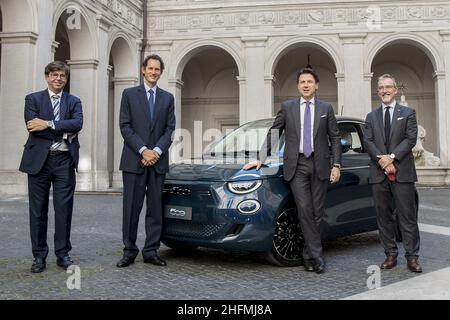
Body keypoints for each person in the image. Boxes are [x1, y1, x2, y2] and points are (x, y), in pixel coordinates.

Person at [244, 68, 341, 273]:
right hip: (296, 165)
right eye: (302, 82)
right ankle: (317, 256)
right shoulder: (287, 107)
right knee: (305, 210)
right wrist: (260, 159)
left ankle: (308, 254)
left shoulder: (326, 108)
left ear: (317, 85)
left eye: (309, 81)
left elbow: (334, 137)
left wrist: (336, 164)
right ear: (298, 86)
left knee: (317, 212)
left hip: (320, 164)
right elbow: (274, 132)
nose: (306, 85)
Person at [19, 61, 83, 273]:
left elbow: (78, 124)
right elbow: (32, 126)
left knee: (64, 210)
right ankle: (39, 256)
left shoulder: (74, 101)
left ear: (66, 79)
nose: (58, 79)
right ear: (47, 77)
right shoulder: (33, 99)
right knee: (37, 212)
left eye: (62, 76)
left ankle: (63, 254)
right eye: (54, 75)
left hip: (64, 161)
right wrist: (63, 128)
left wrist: (48, 123)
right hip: (40, 161)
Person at [116, 54, 176, 268]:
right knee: (131, 209)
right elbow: (125, 126)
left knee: (155, 209)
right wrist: (143, 150)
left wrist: (156, 151)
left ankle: (151, 250)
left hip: (157, 162)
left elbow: (170, 129)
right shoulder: (129, 94)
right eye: (150, 68)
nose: (153, 72)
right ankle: (129, 251)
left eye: (157, 69)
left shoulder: (168, 98)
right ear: (143, 70)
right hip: (134, 160)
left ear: (160, 72)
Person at [363, 74, 422, 273]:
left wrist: (392, 157)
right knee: (383, 217)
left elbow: (410, 139)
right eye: (381, 87)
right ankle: (390, 254)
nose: (385, 90)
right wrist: (382, 160)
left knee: (407, 217)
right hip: (379, 174)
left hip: (402, 172)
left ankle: (412, 257)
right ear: (377, 91)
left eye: (388, 87)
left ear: (395, 90)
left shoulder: (408, 113)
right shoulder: (371, 117)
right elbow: (368, 142)